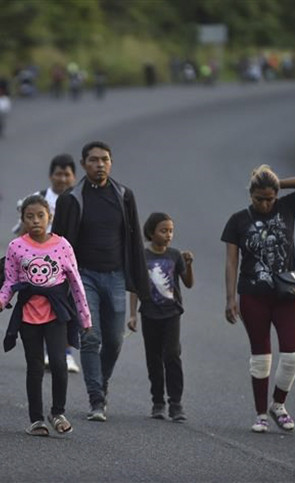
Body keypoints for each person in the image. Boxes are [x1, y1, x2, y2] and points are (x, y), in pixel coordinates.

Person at [52, 141, 149, 422]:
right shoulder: (71, 199)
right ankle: (96, 399)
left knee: (115, 340)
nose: (100, 165)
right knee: (91, 337)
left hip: (116, 275)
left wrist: (140, 284)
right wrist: (58, 285)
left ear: (111, 162)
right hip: (85, 277)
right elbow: (58, 243)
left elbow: (134, 240)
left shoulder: (124, 196)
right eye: (93, 160)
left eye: (105, 159)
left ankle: (101, 383)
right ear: (83, 164)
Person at [221, 165, 295, 433]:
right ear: (250, 195)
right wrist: (230, 298)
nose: (265, 204)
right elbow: (232, 262)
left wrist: (277, 184)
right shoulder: (237, 220)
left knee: (292, 355)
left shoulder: (286, 207)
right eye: (259, 199)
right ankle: (261, 414)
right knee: (261, 356)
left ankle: (278, 404)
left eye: (270, 198)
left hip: (286, 294)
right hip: (253, 295)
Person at [0, 195, 91, 436]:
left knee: (59, 364)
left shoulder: (62, 246)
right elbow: (10, 281)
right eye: (30, 217)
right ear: (22, 219)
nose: (35, 221)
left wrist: (84, 316)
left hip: (56, 313)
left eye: (40, 215)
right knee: (35, 366)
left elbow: (75, 282)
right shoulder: (16, 246)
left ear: (49, 217)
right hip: (28, 314)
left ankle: (58, 412)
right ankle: (36, 419)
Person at [12, 154, 80, 373]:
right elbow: (22, 231)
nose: (62, 179)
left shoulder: (79, 199)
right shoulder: (38, 198)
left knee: (65, 308)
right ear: (51, 176)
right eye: (58, 174)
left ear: (73, 176)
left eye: (67, 174)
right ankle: (43, 351)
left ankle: (65, 353)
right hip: (37, 265)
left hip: (65, 264)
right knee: (38, 306)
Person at [127, 213, 194, 422]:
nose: (168, 235)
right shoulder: (143, 257)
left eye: (171, 231)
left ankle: (176, 403)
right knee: (153, 358)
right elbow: (135, 288)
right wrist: (132, 315)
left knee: (172, 355)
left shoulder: (175, 255)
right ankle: (158, 401)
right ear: (151, 232)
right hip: (149, 313)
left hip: (171, 313)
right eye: (163, 230)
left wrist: (189, 264)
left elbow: (188, 283)